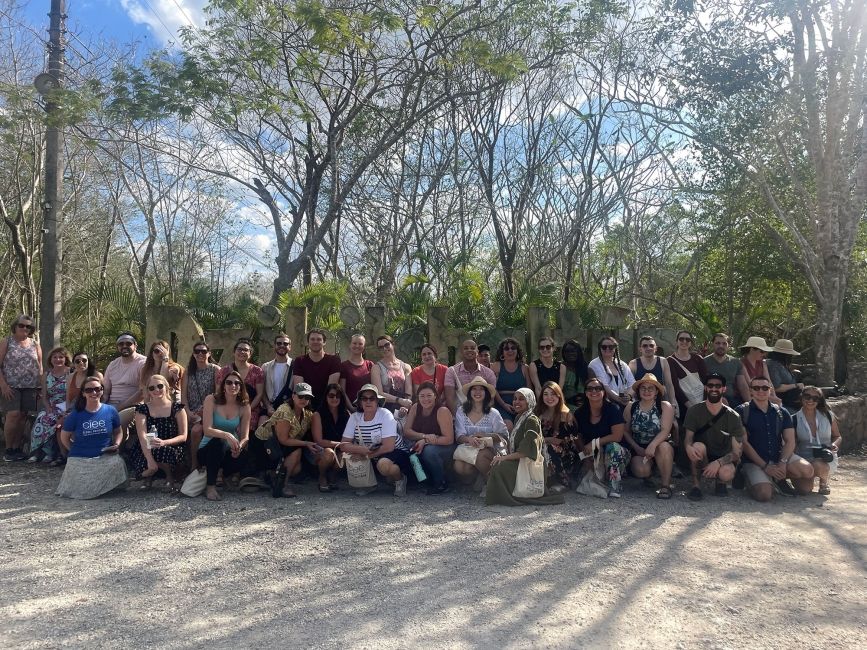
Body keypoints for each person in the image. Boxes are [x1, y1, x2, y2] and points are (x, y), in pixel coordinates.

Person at [737, 376, 814, 501]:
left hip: (778, 457)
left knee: (807, 476)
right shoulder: (742, 411)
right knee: (764, 495)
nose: (760, 391)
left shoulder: (782, 412)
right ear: (750, 390)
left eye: (765, 388)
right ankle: (755, 479)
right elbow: (744, 443)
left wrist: (783, 462)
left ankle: (777, 478)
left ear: (770, 389)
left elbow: (790, 441)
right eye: (756, 388)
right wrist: (764, 466)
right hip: (754, 461)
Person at [486, 388, 565, 506]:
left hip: (529, 463)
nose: (516, 402)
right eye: (515, 399)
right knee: (497, 462)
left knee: (500, 466)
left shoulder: (532, 420)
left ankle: (506, 496)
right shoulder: (519, 417)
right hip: (520, 460)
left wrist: (504, 458)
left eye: (521, 399)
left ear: (529, 401)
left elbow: (526, 451)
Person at [56, 376, 127, 499]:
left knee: (117, 463)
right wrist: (73, 449)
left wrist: (116, 444)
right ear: (83, 393)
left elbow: (118, 431)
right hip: (80, 457)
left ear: (102, 390)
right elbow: (64, 437)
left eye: (97, 389)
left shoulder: (111, 411)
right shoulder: (75, 415)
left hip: (104, 455)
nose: (94, 393)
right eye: (89, 390)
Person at [339, 384, 412, 496]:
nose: (368, 401)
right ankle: (368, 484)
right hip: (370, 450)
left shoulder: (385, 414)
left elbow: (389, 446)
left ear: (377, 401)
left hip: (395, 451)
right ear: (360, 402)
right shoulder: (354, 417)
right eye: (364, 398)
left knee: (384, 466)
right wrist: (359, 450)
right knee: (353, 457)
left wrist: (365, 455)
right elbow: (344, 444)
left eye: (372, 398)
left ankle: (400, 479)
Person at [683, 373, 744, 501]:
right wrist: (688, 447)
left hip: (723, 458)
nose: (714, 389)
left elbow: (736, 453)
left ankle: (721, 483)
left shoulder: (733, 416)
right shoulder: (694, 410)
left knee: (726, 473)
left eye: (718, 386)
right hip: (703, 455)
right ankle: (696, 486)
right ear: (706, 388)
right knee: (696, 446)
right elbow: (688, 437)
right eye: (710, 385)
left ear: (724, 389)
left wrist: (718, 462)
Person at [197, 370, 251, 501]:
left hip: (229, 449)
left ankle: (223, 475)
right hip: (208, 449)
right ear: (223, 385)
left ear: (241, 387)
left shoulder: (244, 406)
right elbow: (207, 429)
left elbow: (245, 436)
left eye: (237, 383)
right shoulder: (211, 400)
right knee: (218, 443)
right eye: (229, 382)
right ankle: (210, 486)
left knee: (244, 455)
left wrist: (239, 447)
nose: (233, 385)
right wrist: (226, 435)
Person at [254, 383, 315, 498]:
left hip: (279, 447)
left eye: (307, 397)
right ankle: (282, 485)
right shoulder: (285, 410)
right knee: (297, 452)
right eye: (300, 396)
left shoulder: (307, 414)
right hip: (265, 446)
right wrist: (306, 444)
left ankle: (272, 475)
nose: (303, 399)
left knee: (297, 468)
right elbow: (283, 439)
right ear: (293, 396)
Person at [129, 374, 188, 489]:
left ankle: (168, 477)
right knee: (146, 452)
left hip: (171, 445)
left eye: (160, 386)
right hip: (147, 445)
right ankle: (148, 475)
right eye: (152, 388)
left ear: (166, 387)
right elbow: (142, 436)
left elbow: (183, 436)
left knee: (164, 450)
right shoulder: (142, 409)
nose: (156, 390)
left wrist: (164, 442)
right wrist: (150, 459)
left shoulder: (177, 408)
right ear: (148, 391)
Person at [452, 377, 509, 495]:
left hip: (490, 450)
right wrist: (469, 439)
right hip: (469, 448)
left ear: (486, 393)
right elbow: (459, 435)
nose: (477, 392)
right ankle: (480, 477)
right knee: (460, 467)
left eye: (481, 389)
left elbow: (504, 436)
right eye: (474, 389)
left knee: (480, 456)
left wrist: (485, 435)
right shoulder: (461, 411)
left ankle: (491, 484)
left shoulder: (493, 413)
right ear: (469, 393)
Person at [623, 374, 676, 498]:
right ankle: (650, 473)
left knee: (664, 447)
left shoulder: (664, 406)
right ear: (638, 390)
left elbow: (665, 430)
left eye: (650, 388)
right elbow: (625, 431)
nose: (647, 391)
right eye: (643, 388)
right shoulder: (631, 407)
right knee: (641, 470)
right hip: (639, 448)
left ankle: (665, 485)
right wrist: (636, 447)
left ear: (657, 391)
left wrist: (652, 445)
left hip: (660, 445)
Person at [574, 377, 629, 498]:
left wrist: (595, 443)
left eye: (598, 388)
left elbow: (617, 436)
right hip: (592, 452)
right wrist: (584, 454)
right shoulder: (579, 413)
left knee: (612, 447)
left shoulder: (613, 409)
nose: (594, 391)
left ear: (603, 392)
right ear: (586, 392)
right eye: (590, 389)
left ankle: (615, 485)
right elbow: (577, 436)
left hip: (616, 451)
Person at [0, 314, 43, 461]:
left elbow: (40, 366)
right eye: (22, 325)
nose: (25, 328)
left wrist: (41, 387)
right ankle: (9, 449)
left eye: (28, 326)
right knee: (13, 415)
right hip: (11, 386)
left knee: (23, 416)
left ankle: (17, 448)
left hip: (31, 386)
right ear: (15, 326)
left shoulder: (35, 344)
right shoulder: (7, 341)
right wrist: (3, 385)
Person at [404, 381, 455, 494]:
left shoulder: (442, 411)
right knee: (411, 450)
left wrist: (425, 441)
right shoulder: (415, 407)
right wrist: (424, 437)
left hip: (444, 446)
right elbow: (407, 431)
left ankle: (441, 483)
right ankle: (423, 481)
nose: (425, 399)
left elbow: (449, 439)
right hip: (423, 442)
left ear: (435, 396)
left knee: (429, 451)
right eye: (422, 396)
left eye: (429, 396)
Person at [792, 386, 842, 495]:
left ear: (819, 401)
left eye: (815, 398)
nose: (811, 400)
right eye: (807, 397)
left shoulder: (828, 415)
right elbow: (792, 443)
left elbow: (837, 436)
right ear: (801, 398)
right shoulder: (794, 419)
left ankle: (823, 483)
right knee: (804, 490)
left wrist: (834, 445)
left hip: (825, 457)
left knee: (819, 464)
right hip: (804, 459)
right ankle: (803, 477)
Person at [27, 346, 71, 464]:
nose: (58, 360)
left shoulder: (70, 373)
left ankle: (50, 453)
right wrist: (48, 407)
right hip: (51, 405)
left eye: (61, 357)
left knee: (53, 420)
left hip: (66, 405)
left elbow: (71, 395)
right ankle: (38, 452)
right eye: (55, 357)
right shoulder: (46, 375)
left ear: (65, 359)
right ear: (50, 360)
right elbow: (44, 396)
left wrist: (65, 409)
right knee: (42, 419)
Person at [535, 381, 579, 491]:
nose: (549, 397)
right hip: (544, 448)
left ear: (559, 395)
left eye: (553, 394)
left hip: (566, 454)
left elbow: (560, 441)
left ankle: (563, 481)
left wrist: (545, 440)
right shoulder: (538, 414)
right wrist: (546, 440)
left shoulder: (566, 415)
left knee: (550, 447)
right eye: (546, 394)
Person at [181, 342, 219, 469]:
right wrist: (188, 411)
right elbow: (183, 397)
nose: (200, 354)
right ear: (193, 354)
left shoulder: (215, 370)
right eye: (197, 351)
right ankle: (188, 464)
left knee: (197, 430)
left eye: (203, 351)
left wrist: (204, 410)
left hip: (210, 411)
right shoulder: (188, 372)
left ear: (209, 353)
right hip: (190, 412)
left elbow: (218, 394)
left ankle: (195, 464)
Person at [103, 332, 147, 430]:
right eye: (121, 344)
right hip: (111, 405)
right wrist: (99, 407)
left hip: (133, 406)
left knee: (117, 422)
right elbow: (106, 391)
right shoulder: (113, 364)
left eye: (128, 343)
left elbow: (142, 393)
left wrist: (118, 407)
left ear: (135, 346)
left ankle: (117, 446)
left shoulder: (143, 363)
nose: (124, 346)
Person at [310, 383, 350, 491]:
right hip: (321, 450)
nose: (335, 398)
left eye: (338, 396)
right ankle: (322, 476)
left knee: (346, 456)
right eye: (331, 396)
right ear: (326, 397)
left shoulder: (346, 414)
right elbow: (319, 441)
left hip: (340, 449)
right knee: (329, 454)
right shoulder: (317, 415)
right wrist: (340, 444)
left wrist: (343, 446)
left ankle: (333, 475)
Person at [291, 328, 341, 409]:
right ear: (308, 342)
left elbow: (331, 387)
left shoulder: (334, 360)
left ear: (324, 342)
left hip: (327, 404)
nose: (315, 342)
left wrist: (320, 410)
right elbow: (299, 387)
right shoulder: (299, 361)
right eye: (312, 339)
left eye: (319, 339)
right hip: (305, 403)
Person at [629, 335, 678, 417]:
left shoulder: (662, 361)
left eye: (651, 345)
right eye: (645, 346)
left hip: (661, 401)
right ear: (640, 349)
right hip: (640, 402)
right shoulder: (633, 364)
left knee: (674, 425)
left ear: (655, 348)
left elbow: (669, 384)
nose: (648, 348)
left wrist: (673, 403)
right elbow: (631, 386)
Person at [444, 339, 498, 414]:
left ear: (477, 352)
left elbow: (491, 399)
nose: (469, 350)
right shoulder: (452, 371)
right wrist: (459, 419)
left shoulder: (488, 373)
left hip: (482, 414)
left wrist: (483, 417)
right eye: (466, 348)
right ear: (461, 352)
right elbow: (450, 399)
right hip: (459, 414)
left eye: (472, 348)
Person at [667, 330, 708, 420]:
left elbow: (706, 380)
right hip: (684, 404)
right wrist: (690, 406)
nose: (684, 342)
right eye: (681, 339)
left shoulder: (697, 358)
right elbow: (675, 386)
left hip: (703, 400)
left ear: (691, 343)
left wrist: (705, 403)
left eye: (687, 339)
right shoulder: (670, 361)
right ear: (676, 341)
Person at [491, 337, 531, 423]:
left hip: (521, 405)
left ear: (517, 351)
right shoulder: (495, 366)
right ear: (502, 352)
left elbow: (529, 390)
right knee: (508, 426)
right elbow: (492, 388)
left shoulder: (524, 368)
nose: (510, 351)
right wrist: (503, 404)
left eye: (513, 348)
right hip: (501, 404)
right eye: (506, 348)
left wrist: (522, 406)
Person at [370, 335, 413, 414]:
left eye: (387, 345)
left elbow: (409, 391)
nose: (384, 349)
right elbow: (379, 393)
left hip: (404, 409)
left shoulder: (406, 367)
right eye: (381, 347)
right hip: (385, 410)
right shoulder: (376, 368)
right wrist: (399, 400)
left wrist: (406, 407)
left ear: (393, 344)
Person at [588, 336, 635, 408]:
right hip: (606, 403)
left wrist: (629, 396)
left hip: (625, 402)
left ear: (615, 348)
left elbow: (632, 384)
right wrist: (619, 399)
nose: (607, 349)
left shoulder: (622, 364)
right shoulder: (594, 364)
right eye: (604, 347)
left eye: (611, 347)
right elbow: (604, 387)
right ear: (600, 349)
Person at [260, 333, 295, 426]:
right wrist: (268, 406)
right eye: (279, 343)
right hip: (269, 407)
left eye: (285, 344)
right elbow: (261, 391)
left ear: (290, 347)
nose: (282, 346)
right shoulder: (265, 367)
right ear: (274, 346)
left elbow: (297, 389)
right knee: (261, 433)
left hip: (288, 407)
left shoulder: (296, 366)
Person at [736, 336, 781, 405]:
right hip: (748, 395)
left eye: (765, 352)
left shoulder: (763, 363)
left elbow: (769, 381)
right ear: (752, 349)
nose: (764, 354)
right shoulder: (741, 363)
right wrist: (770, 398)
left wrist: (774, 396)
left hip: (762, 393)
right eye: (762, 351)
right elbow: (750, 384)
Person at [702, 333, 743, 406]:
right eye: (718, 343)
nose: (721, 346)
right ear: (713, 344)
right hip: (710, 399)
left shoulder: (736, 362)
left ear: (728, 345)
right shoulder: (704, 362)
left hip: (732, 400)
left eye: (724, 343)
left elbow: (742, 385)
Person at [766, 339, 804, 412]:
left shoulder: (782, 364)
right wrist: (796, 385)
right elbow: (777, 387)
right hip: (784, 399)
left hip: (790, 396)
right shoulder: (773, 365)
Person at [339, 333, 373, 407]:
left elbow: (375, 389)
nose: (357, 346)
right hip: (350, 409)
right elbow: (342, 391)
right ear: (350, 345)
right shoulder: (344, 366)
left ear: (364, 347)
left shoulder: (370, 365)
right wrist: (351, 408)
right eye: (354, 343)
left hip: (369, 407)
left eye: (360, 344)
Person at [560, 339, 588, 410]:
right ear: (563, 353)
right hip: (565, 406)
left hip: (584, 406)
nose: (570, 353)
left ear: (578, 352)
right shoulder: (559, 368)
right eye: (567, 351)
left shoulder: (586, 368)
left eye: (573, 351)